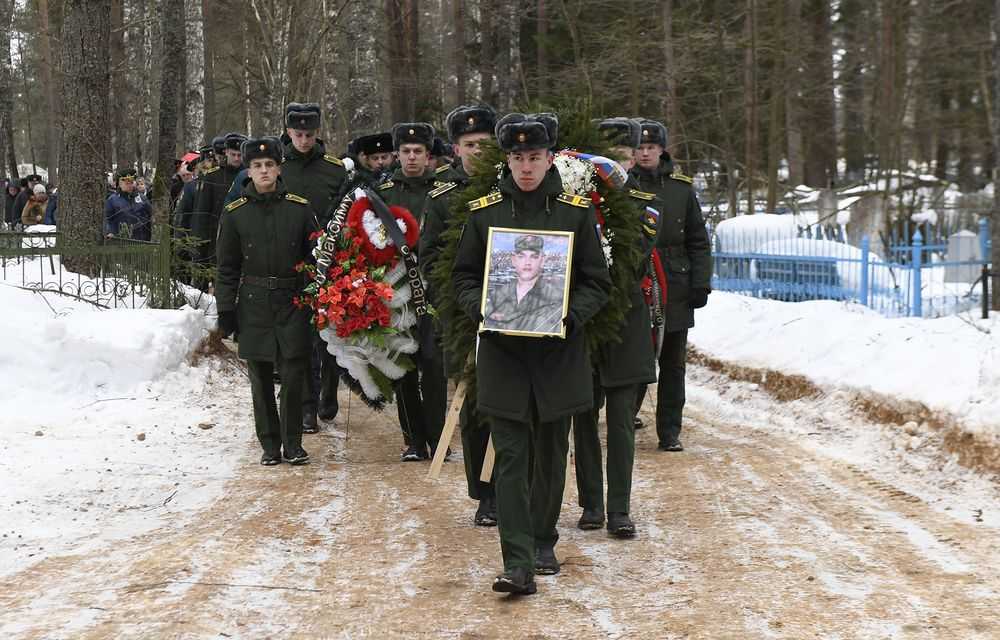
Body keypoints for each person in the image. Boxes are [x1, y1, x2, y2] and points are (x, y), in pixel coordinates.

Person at [451, 112, 611, 594]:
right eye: (518, 157)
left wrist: (568, 315)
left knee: (549, 453)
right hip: (503, 353)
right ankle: (516, 561)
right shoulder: (484, 213)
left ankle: (544, 539)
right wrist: (483, 308)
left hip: (558, 353)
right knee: (513, 456)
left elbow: (596, 282)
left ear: (548, 159)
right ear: (507, 159)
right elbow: (461, 277)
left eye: (534, 157)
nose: (526, 167)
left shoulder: (574, 212)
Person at [572, 116, 659, 536]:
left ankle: (620, 508)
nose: (618, 166)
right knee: (583, 417)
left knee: (622, 420)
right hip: (584, 326)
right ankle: (591, 503)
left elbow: (635, 262)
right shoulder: (571, 203)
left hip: (625, 325)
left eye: (624, 156)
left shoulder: (645, 208)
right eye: (610, 157)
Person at [215, 136, 318, 466]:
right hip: (254, 303)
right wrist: (226, 310)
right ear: (248, 170)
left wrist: (314, 296)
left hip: (292, 301)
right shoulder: (234, 214)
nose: (263, 171)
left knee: (293, 375)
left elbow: (313, 258)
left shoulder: (299, 209)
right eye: (257, 166)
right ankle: (270, 445)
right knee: (260, 378)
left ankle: (294, 443)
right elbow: (227, 268)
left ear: (278, 168)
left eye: (269, 165)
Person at [419, 103, 499, 526]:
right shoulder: (442, 198)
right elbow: (429, 258)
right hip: (464, 318)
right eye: (470, 145)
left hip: (516, 312)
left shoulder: (512, 184)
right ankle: (484, 493)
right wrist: (464, 297)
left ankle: (511, 486)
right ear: (455, 149)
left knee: (512, 402)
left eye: (485, 144)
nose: (478, 152)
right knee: (473, 404)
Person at [631, 119, 712, 452]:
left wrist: (700, 283)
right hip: (639, 282)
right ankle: (627, 415)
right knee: (636, 358)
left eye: (651, 147)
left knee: (673, 363)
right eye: (640, 147)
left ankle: (669, 431)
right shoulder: (623, 184)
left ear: (662, 150)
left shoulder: (681, 189)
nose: (645, 152)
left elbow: (698, 241)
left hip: (676, 285)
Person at [377, 122, 447, 462]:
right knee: (403, 367)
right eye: (405, 151)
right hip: (396, 291)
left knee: (434, 367)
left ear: (428, 155)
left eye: (418, 151)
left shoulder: (443, 191)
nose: (412, 157)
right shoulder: (384, 193)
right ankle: (414, 440)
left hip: (433, 292)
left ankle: (438, 438)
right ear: (396, 154)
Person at [280, 102, 349, 433]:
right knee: (301, 338)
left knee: (328, 334)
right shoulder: (279, 167)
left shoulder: (334, 170)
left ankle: (328, 391)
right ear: (289, 132)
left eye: (309, 134)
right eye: (298, 134)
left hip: (330, 261)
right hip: (292, 263)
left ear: (317, 133)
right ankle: (306, 407)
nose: (304, 140)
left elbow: (346, 212)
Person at [192, 132, 246, 288]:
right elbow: (202, 213)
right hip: (216, 240)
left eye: (240, 155)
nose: (237, 158)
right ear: (226, 152)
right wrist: (199, 245)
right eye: (233, 154)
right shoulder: (211, 177)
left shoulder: (249, 176)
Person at [482, 234, 565, 334]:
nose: (527, 262)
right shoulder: (497, 295)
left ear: (542, 260)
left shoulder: (556, 298)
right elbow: (488, 326)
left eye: (534, 257)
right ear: (513, 259)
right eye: (521, 256)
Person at [104, 167, 152, 240]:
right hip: (122, 241)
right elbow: (108, 219)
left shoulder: (142, 198)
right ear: (119, 184)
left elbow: (151, 216)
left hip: (142, 240)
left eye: (131, 183)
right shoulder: (112, 200)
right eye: (127, 183)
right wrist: (110, 232)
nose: (130, 186)